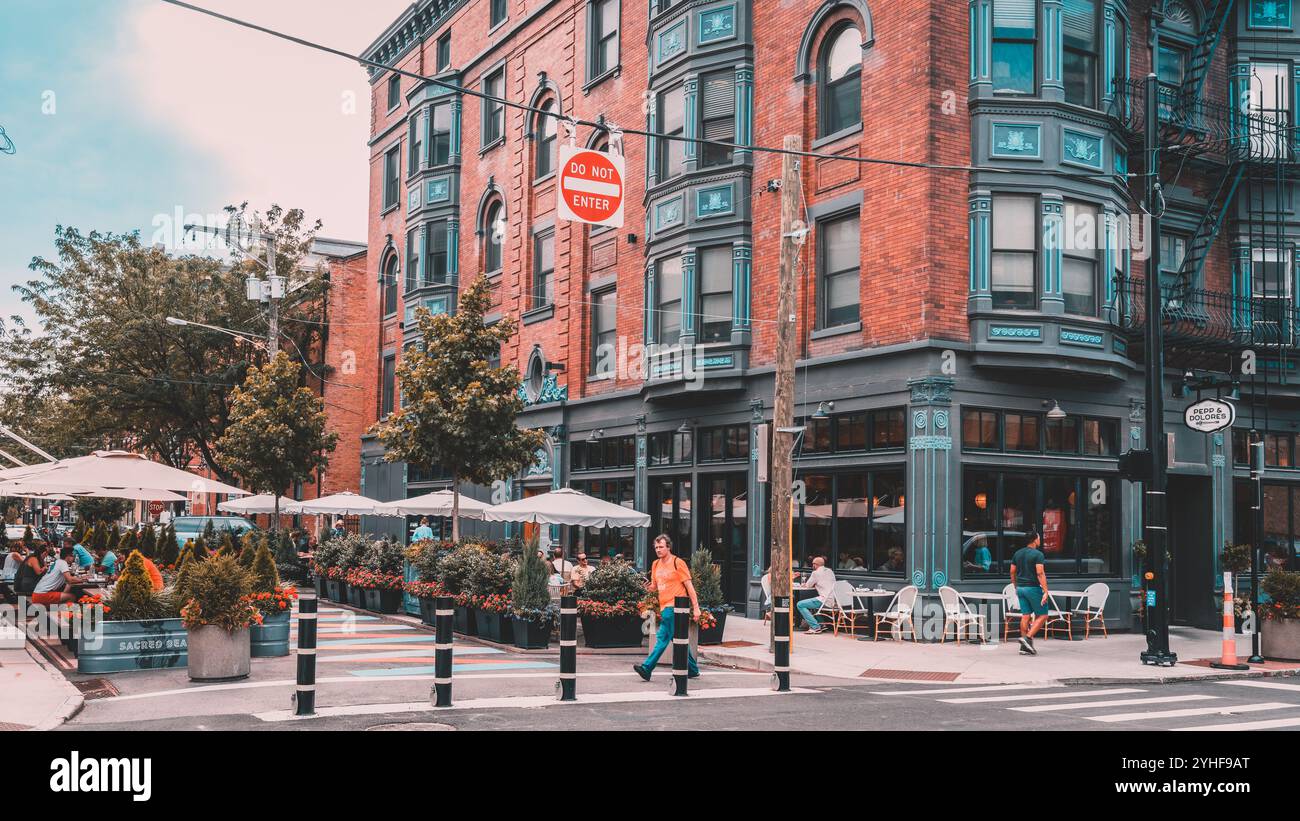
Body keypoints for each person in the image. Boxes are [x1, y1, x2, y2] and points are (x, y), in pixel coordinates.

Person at [633, 534, 701, 681]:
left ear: (668, 547)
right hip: (664, 607)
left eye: (661, 547)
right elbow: (654, 587)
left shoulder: (678, 563)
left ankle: (647, 667)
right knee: (677, 639)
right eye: (656, 547)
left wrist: (696, 607)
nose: (658, 550)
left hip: (675, 607)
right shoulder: (655, 564)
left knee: (663, 637)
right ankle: (693, 669)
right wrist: (646, 587)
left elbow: (689, 586)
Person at [1009, 529, 1050, 656]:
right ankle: (1027, 638)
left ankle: (1024, 647)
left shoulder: (1018, 553)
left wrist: (1015, 585)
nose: (1039, 539)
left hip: (1020, 588)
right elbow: (1040, 572)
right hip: (1032, 588)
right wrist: (1046, 590)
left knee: (1026, 615)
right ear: (1034, 540)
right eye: (1038, 537)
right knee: (1043, 615)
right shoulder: (1038, 554)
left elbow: (1012, 571)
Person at [795, 556, 837, 634]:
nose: (812, 566)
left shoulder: (815, 573)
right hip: (833, 600)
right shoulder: (830, 571)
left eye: (813, 564)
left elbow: (808, 585)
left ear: (815, 565)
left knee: (800, 604)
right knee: (813, 606)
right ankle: (822, 625)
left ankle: (815, 627)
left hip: (824, 599)